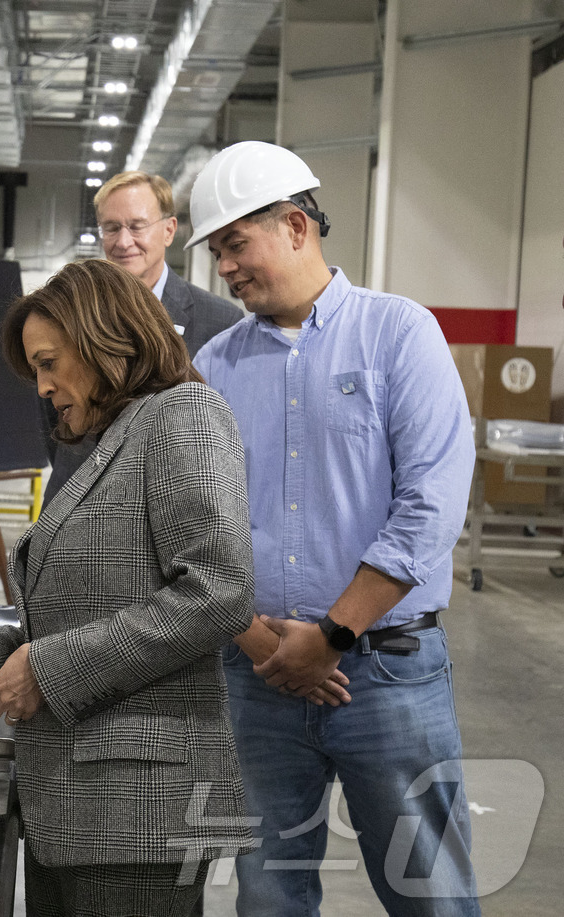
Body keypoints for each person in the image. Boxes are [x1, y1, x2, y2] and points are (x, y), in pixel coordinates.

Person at [0, 259, 256, 917]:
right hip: (80, 808)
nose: (42, 386)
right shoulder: (116, 437)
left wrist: (49, 666)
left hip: (134, 814)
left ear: (106, 338)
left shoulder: (184, 413)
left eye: (50, 361)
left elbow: (218, 590)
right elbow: (48, 640)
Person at [187, 140, 480, 916]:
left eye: (235, 244)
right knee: (267, 891)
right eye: (217, 252)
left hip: (386, 674)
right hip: (255, 678)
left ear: (294, 225)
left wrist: (334, 635)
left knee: (432, 893)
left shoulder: (398, 335)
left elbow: (431, 504)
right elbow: (190, 518)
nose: (225, 268)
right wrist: (258, 639)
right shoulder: (213, 366)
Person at [45, 170, 242, 504]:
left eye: (137, 226)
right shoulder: (68, 315)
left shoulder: (220, 321)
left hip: (169, 507)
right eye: (111, 227)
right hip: (74, 502)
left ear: (168, 230)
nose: (123, 242)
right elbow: (51, 413)